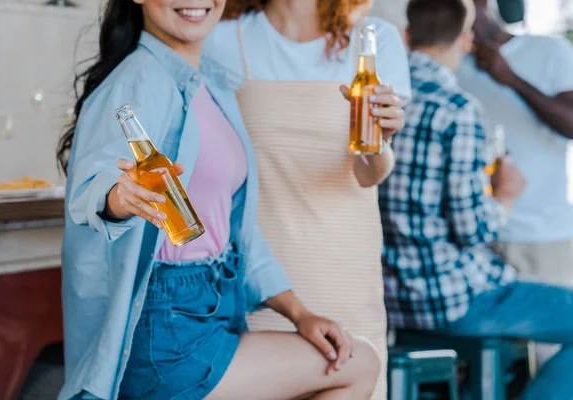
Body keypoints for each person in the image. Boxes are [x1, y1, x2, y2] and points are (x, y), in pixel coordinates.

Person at [56, 0, 382, 399]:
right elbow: (96, 186)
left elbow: (231, 227)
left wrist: (299, 312)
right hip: (167, 329)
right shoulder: (134, 83)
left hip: (211, 308)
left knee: (350, 359)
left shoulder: (209, 81)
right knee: (358, 364)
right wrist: (119, 198)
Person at [205, 1, 411, 398]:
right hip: (262, 281)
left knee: (353, 371)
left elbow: (369, 173)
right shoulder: (222, 38)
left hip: (345, 276)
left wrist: (379, 142)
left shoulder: (373, 41)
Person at [380, 0, 573, 398]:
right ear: (465, 41)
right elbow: (472, 229)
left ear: (406, 36)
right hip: (450, 300)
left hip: (393, 299)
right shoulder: (458, 108)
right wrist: (504, 195)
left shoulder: (380, 100)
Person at [458, 0, 573, 367]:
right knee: (490, 367)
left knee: (549, 358)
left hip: (542, 238)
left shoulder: (548, 51)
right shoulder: (449, 62)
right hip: (477, 241)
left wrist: (511, 79)